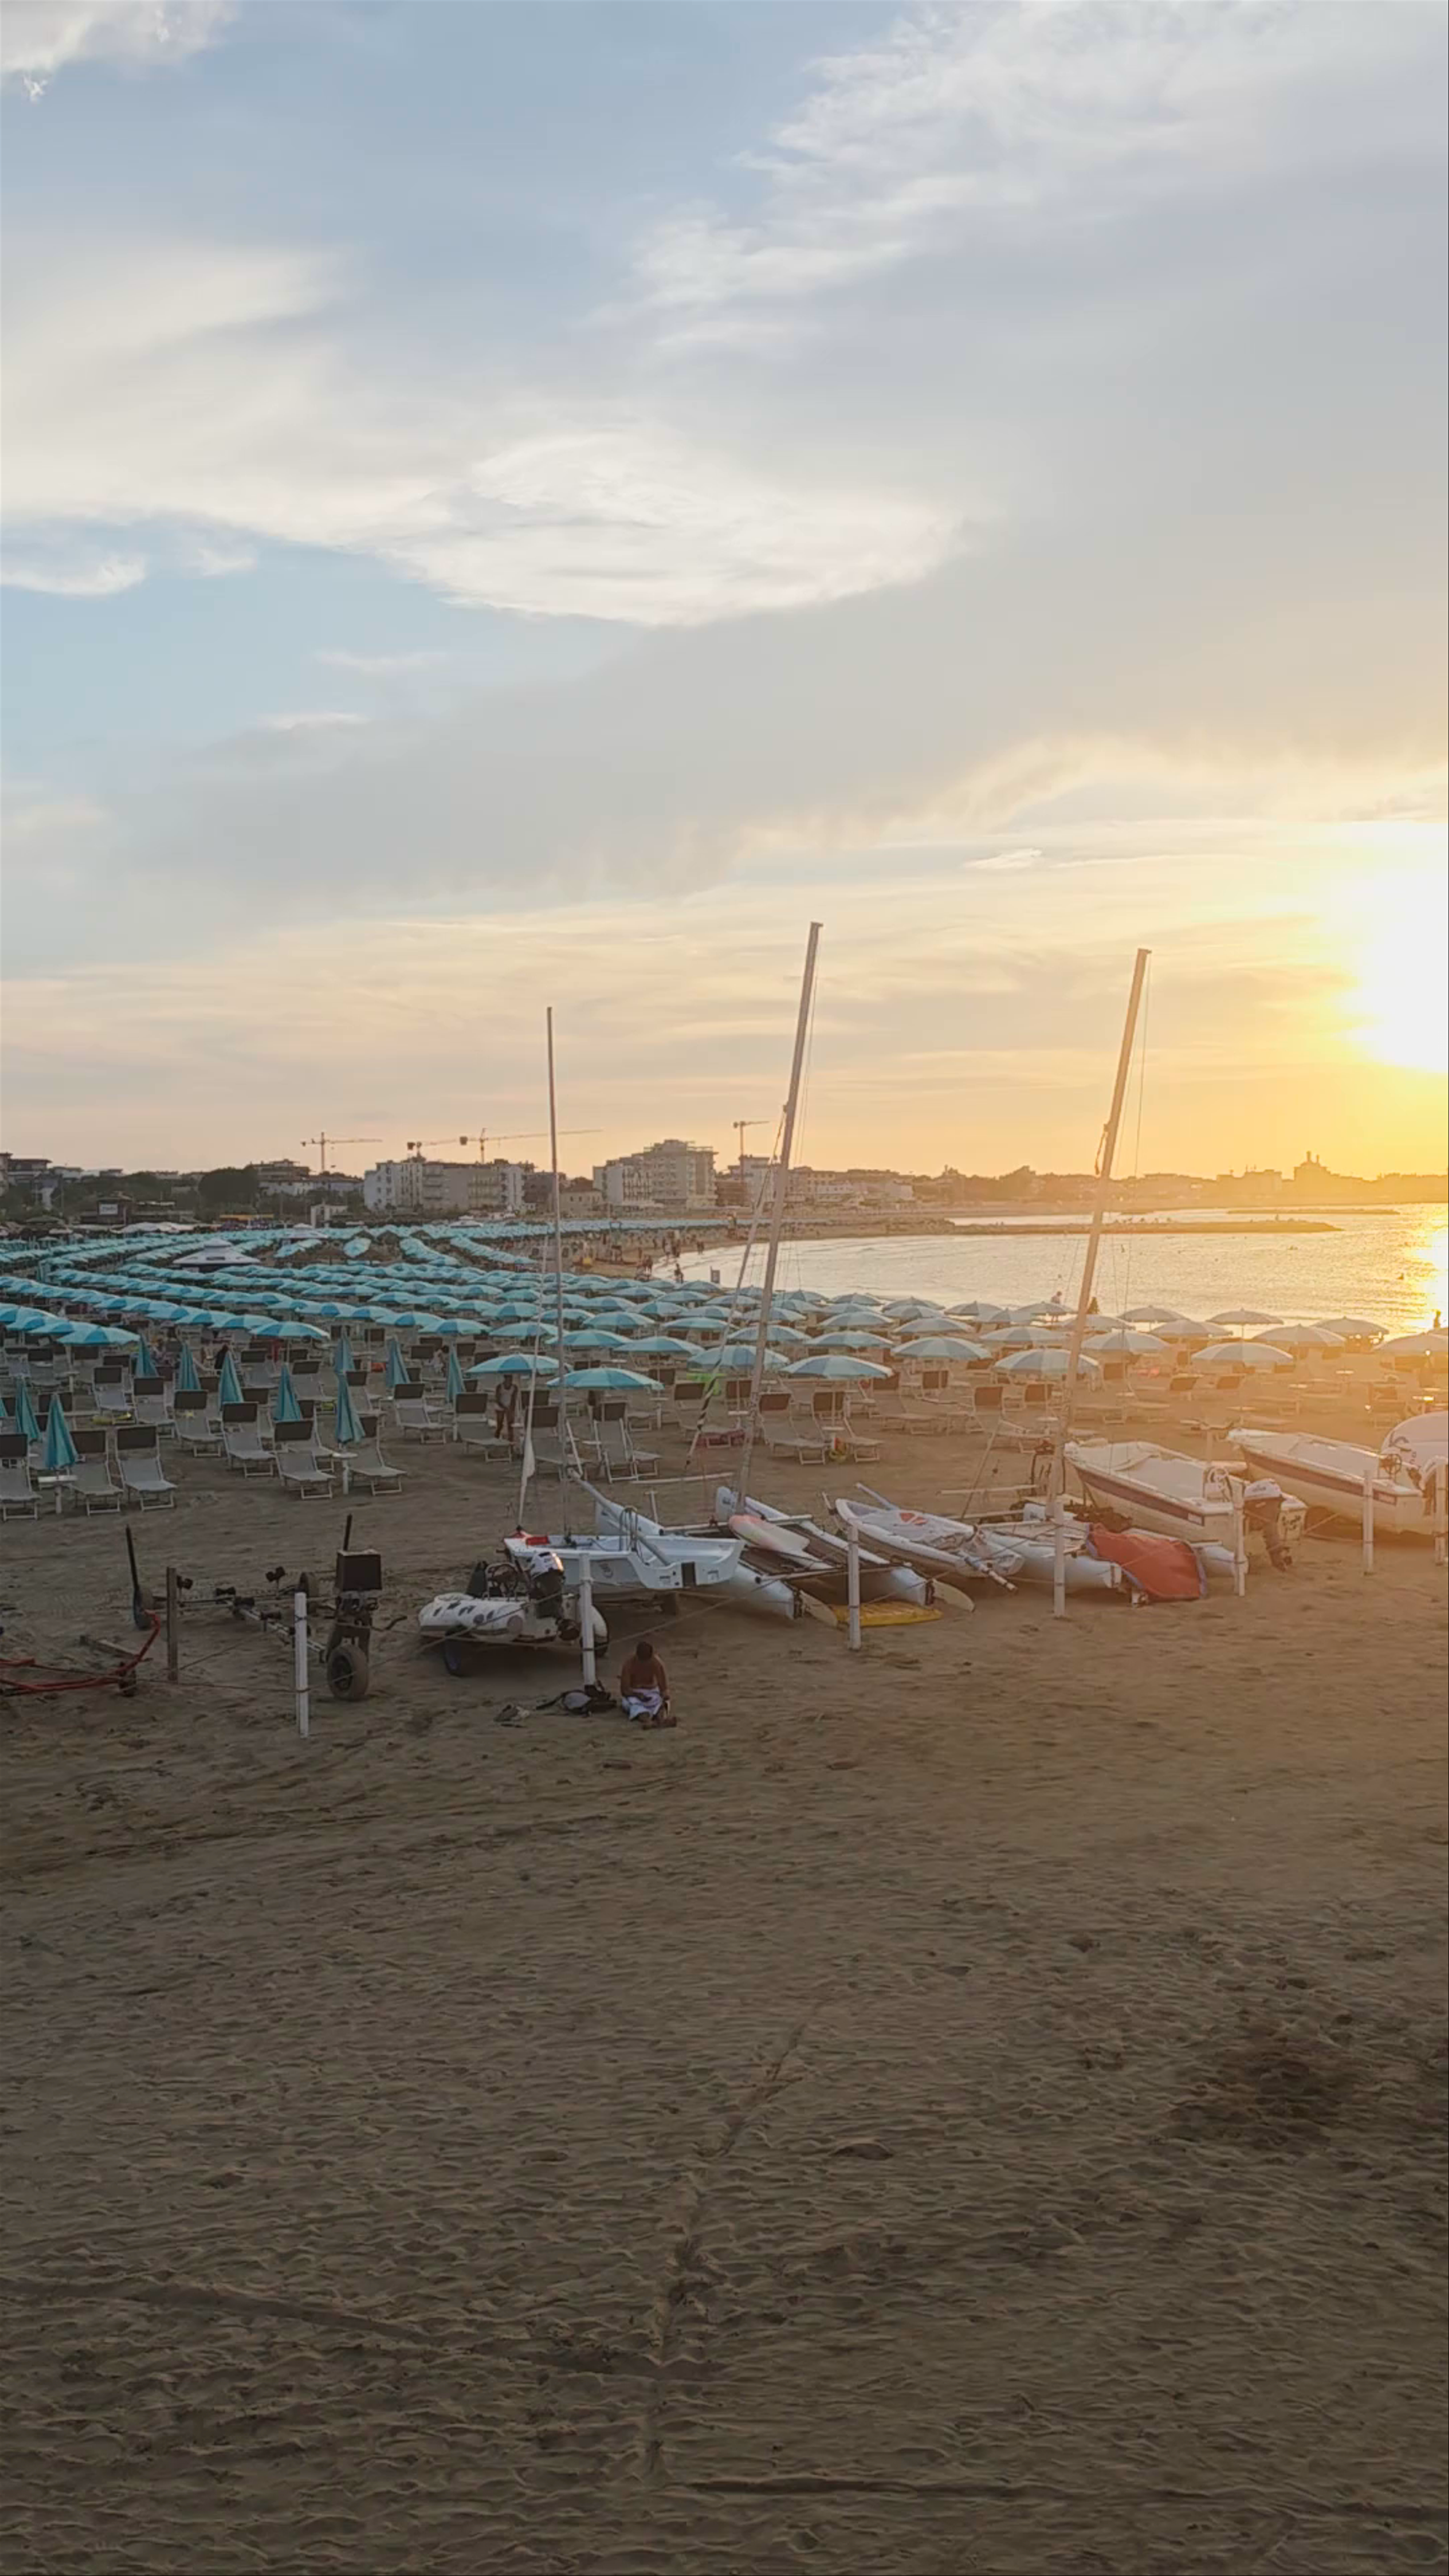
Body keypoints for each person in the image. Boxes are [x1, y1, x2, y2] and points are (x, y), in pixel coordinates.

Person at [619, 1635, 673, 1726]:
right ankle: (648, 1721)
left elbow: (664, 1688)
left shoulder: (657, 1663)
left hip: (652, 1692)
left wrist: (665, 1696)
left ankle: (661, 1720)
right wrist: (637, 1695)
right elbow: (624, 1690)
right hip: (634, 1694)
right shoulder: (629, 1665)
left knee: (661, 1705)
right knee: (636, 1707)